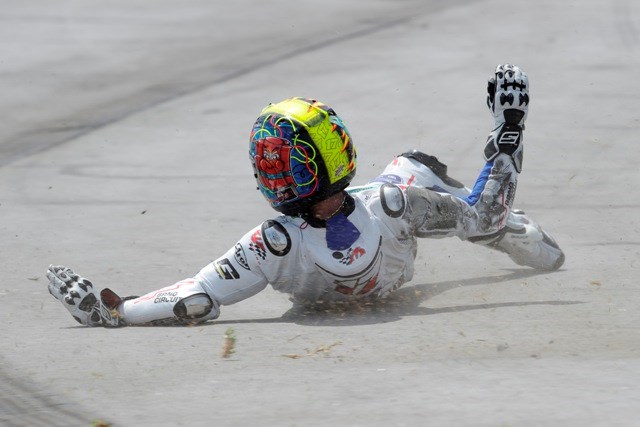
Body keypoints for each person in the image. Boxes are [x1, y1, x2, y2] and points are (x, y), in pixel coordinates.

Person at [47, 64, 564, 327]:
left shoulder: (270, 243)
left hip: (323, 301)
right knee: (424, 171)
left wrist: (113, 310)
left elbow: (195, 299)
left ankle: (515, 232)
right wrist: (509, 130)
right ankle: (526, 239)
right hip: (396, 249)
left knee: (436, 191)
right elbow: (483, 216)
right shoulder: (395, 204)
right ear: (337, 152)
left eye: (274, 163)